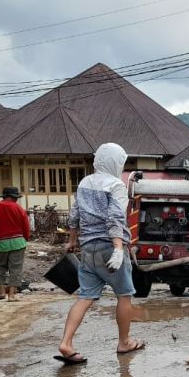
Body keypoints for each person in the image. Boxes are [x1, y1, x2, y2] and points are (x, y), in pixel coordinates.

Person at [55, 142, 145, 365]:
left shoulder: (85, 182)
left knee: (85, 296)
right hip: (109, 247)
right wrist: (117, 248)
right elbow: (115, 218)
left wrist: (72, 242)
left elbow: (74, 214)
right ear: (115, 162)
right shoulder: (116, 185)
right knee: (124, 295)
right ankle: (124, 342)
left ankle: (66, 343)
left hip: (88, 248)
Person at [0, 187, 30, 301]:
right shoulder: (18, 208)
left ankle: (2, 292)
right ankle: (12, 295)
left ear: (4, 196)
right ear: (14, 197)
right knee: (16, 268)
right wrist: (25, 238)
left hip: (1, 243)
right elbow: (26, 226)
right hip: (18, 242)